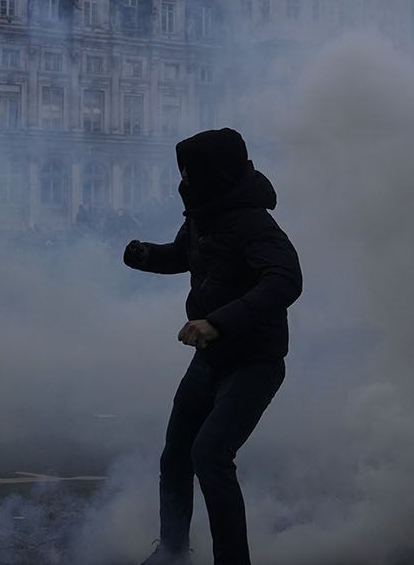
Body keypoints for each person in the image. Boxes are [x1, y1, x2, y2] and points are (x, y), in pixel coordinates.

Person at [124, 128, 302, 565]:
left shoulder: (253, 223)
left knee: (210, 456)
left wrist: (217, 323)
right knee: (177, 455)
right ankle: (171, 553)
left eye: (189, 172)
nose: (182, 181)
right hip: (210, 362)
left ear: (213, 173)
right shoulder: (204, 216)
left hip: (253, 363)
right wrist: (146, 255)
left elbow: (285, 280)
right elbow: (185, 255)